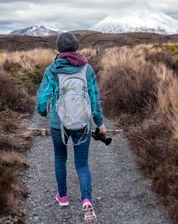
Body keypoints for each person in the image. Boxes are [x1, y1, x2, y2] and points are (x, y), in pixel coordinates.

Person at [36, 32, 105, 223]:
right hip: (83, 124)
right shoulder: (87, 69)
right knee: (82, 164)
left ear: (59, 49)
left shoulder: (52, 69)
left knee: (60, 157)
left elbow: (43, 98)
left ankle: (63, 197)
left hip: (59, 123)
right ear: (75, 47)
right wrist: (99, 122)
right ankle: (86, 200)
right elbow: (94, 98)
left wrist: (42, 113)